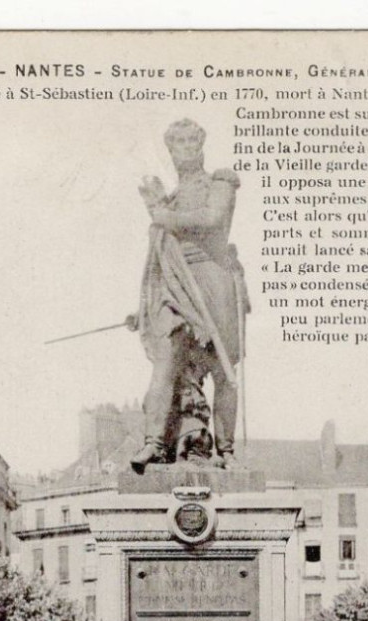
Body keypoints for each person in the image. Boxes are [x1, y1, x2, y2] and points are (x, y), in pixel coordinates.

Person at [130, 119, 248, 472]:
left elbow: (213, 220)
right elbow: (156, 260)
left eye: (189, 141)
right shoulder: (171, 199)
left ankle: (226, 449)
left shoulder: (221, 183)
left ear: (201, 145)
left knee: (222, 368)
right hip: (174, 287)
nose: (184, 149)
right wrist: (143, 310)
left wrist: (164, 216)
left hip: (212, 277)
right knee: (165, 364)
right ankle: (153, 442)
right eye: (176, 143)